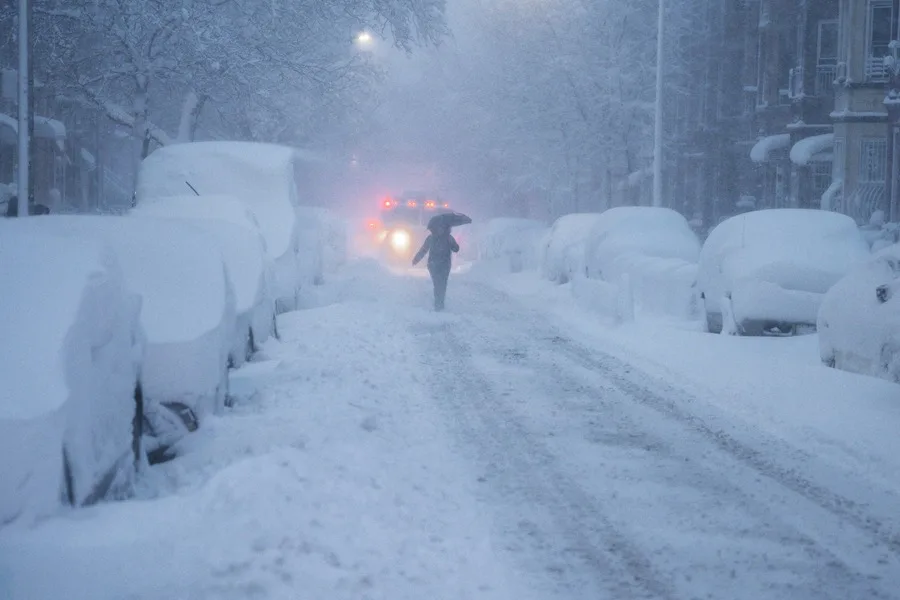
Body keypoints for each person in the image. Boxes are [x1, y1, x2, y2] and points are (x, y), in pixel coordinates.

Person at [412, 223, 459, 311]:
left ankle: (438, 303)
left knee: (438, 284)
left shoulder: (433, 237)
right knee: (441, 284)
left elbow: (423, 250)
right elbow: (456, 249)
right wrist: (416, 259)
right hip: (442, 265)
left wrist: (416, 259)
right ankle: (439, 303)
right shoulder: (447, 238)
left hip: (435, 265)